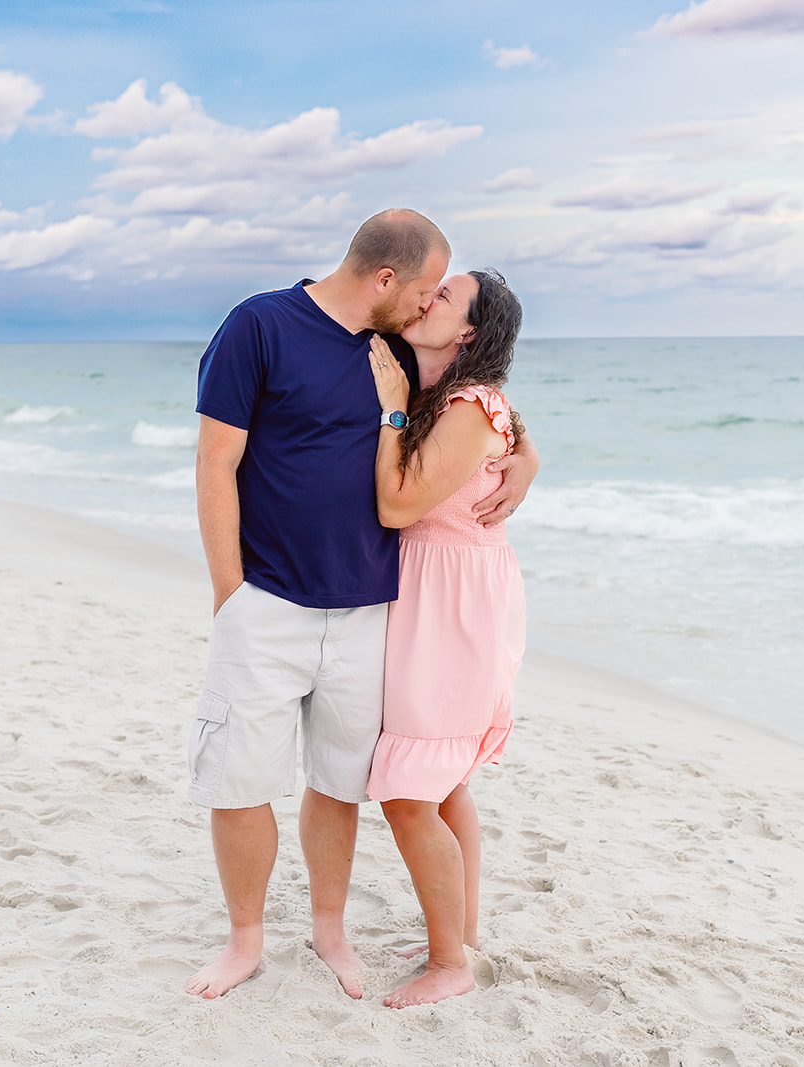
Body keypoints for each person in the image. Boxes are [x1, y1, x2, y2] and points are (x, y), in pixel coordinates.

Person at [185, 211, 540, 1000]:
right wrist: (228, 592)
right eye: (422, 291)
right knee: (241, 781)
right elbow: (216, 461)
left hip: (373, 608)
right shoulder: (260, 325)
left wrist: (528, 456)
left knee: (340, 783)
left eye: (436, 298)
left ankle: (329, 929)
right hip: (266, 597)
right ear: (386, 280)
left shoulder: (398, 357)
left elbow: (480, 407)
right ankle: (245, 941)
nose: (425, 307)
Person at [364, 268, 526, 1008]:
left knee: (408, 790)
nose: (426, 298)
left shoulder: (466, 404)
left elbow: (399, 505)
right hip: (435, 594)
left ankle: (448, 963)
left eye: (446, 296)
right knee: (446, 779)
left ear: (469, 332)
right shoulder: (444, 395)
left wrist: (394, 413)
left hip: (454, 607)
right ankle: (461, 933)